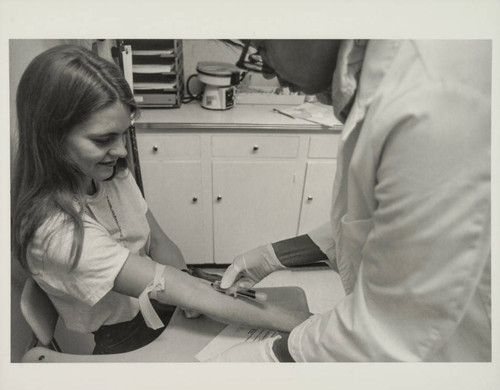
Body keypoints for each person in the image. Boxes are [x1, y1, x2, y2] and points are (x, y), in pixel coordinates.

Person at [11, 44, 310, 355]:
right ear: (51, 137)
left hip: (158, 303)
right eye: (103, 139)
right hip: (123, 337)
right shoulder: (53, 232)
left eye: (123, 133)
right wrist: (308, 325)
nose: (121, 151)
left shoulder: (108, 173)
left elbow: (160, 243)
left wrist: (187, 290)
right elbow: (171, 286)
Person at [211, 40, 491, 362]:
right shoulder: (383, 77)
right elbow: (383, 223)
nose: (266, 69)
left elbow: (390, 326)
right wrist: (272, 256)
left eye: (262, 45)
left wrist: (267, 357)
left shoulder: (431, 96)